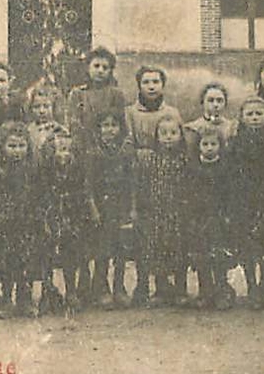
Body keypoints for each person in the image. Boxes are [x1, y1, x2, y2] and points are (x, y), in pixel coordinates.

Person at [0, 122, 43, 318]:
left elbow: (38, 195)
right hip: (4, 222)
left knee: (26, 260)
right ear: (2, 147)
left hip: (27, 222)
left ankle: (24, 299)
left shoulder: (33, 169)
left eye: (21, 146)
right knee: (5, 261)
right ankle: (5, 299)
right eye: (11, 146)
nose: (17, 151)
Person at [40, 126, 98, 312]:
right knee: (47, 251)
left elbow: (84, 191)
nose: (63, 154)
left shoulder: (78, 168)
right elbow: (42, 192)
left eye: (66, 150)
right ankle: (47, 291)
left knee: (72, 251)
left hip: (73, 213)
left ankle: (72, 291)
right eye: (58, 150)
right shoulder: (46, 170)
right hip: (52, 212)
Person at [136, 116, 190, 307]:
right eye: (163, 133)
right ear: (156, 137)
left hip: (178, 212)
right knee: (158, 249)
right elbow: (143, 185)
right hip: (157, 212)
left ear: (181, 136)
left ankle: (181, 289)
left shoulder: (185, 160)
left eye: (173, 133)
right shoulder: (150, 159)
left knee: (180, 249)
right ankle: (160, 288)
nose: (168, 137)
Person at [230, 96, 264, 307]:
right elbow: (231, 173)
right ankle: (252, 286)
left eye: (259, 114)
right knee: (248, 245)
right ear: (241, 118)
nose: (255, 118)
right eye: (249, 114)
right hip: (244, 199)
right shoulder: (235, 142)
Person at [88, 110, 137, 308]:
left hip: (121, 207)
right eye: (105, 125)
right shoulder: (93, 153)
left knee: (121, 250)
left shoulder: (125, 151)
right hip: (102, 208)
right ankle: (101, 288)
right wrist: (93, 208)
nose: (110, 129)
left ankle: (119, 288)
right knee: (103, 250)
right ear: (98, 129)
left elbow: (132, 182)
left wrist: (132, 208)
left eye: (114, 125)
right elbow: (88, 184)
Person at [187, 132, 236, 310]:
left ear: (220, 147)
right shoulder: (193, 167)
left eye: (213, 144)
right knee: (201, 255)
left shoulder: (225, 167)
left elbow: (230, 193)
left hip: (219, 217)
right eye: (205, 144)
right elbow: (189, 193)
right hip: (199, 218)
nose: (209, 148)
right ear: (198, 147)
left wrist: (228, 213)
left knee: (219, 253)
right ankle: (205, 290)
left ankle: (222, 289)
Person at [63, 47, 126, 141]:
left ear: (110, 71)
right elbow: (73, 124)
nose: (100, 71)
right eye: (96, 66)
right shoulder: (77, 94)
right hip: (84, 142)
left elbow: (120, 124)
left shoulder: (116, 95)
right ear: (88, 67)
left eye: (105, 68)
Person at [125, 67, 182, 152]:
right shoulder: (130, 113)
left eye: (156, 82)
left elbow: (180, 144)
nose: (151, 87)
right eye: (145, 82)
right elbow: (127, 144)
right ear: (139, 86)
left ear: (162, 85)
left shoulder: (172, 113)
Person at [184, 82, 237, 154]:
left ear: (225, 103)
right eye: (210, 100)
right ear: (202, 102)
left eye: (219, 101)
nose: (215, 105)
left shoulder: (232, 127)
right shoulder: (192, 128)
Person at [24, 85, 63, 163]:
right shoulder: (27, 130)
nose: (42, 111)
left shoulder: (60, 130)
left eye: (46, 106)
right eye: (37, 107)